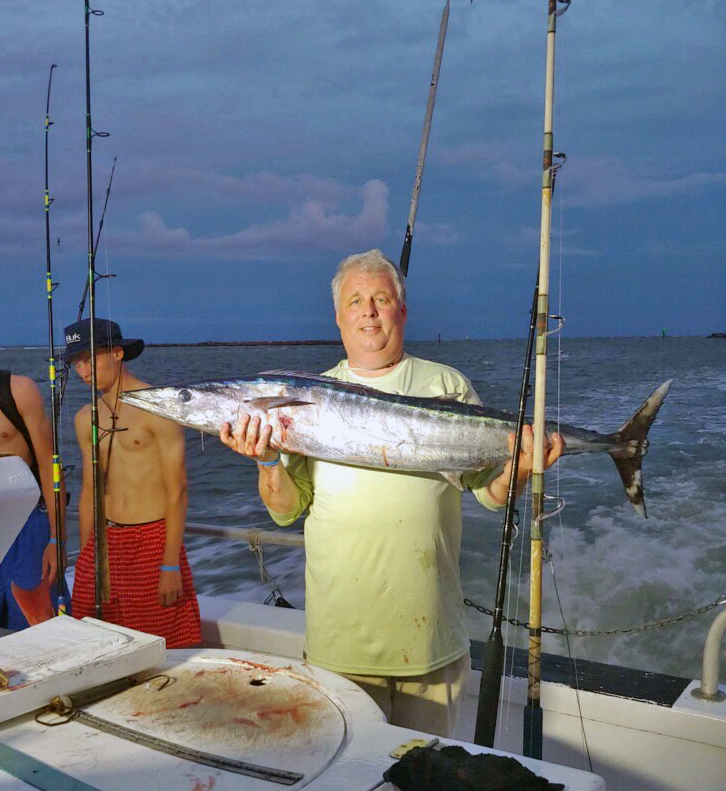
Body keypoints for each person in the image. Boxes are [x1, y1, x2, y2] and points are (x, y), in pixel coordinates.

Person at [220, 249, 564, 736]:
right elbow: (285, 511)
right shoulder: (304, 397)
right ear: (338, 317)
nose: (369, 311)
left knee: (426, 773)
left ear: (403, 311)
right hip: (340, 644)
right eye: (356, 300)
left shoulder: (445, 383)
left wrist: (523, 469)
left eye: (382, 298)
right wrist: (266, 459)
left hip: (431, 642)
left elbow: (490, 494)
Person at [66, 317, 201, 647]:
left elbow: (178, 490)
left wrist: (170, 564)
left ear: (117, 354)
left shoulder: (159, 408)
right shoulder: (85, 418)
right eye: (76, 362)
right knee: (96, 643)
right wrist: (89, 558)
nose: (83, 371)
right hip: (104, 541)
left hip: (153, 540)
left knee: (161, 648)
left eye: (90, 359)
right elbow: (89, 494)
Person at [0, 370, 67, 629]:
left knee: (39, 625)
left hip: (25, 528)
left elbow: (50, 466)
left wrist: (57, 538)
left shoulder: (18, 390)